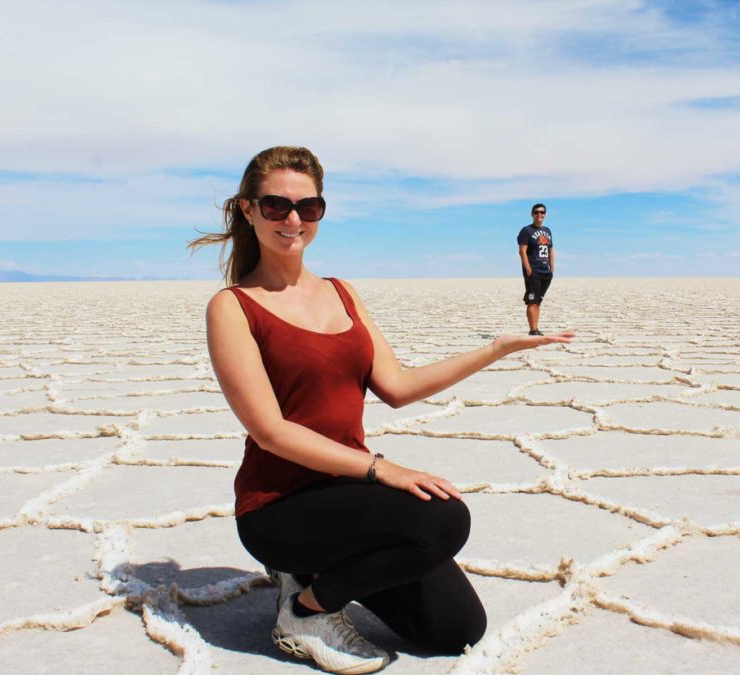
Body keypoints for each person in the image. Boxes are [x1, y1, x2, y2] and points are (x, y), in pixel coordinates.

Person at [190, 147, 574, 674]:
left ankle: (313, 576)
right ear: (248, 209)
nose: (294, 220)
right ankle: (305, 610)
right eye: (276, 206)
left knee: (455, 631)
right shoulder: (233, 306)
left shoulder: (342, 293)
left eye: (309, 207)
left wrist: (495, 349)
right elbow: (272, 431)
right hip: (278, 505)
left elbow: (396, 386)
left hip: (343, 494)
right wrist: (381, 469)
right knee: (443, 519)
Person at [516, 203, 554, 336]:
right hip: (534, 272)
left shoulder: (547, 231)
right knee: (532, 301)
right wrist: (528, 269)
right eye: (536, 212)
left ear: (545, 214)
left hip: (546, 272)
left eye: (542, 212)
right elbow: (522, 251)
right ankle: (533, 330)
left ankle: (536, 328)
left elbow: (550, 251)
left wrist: (551, 269)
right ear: (532, 214)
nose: (539, 214)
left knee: (538, 301)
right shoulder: (526, 231)